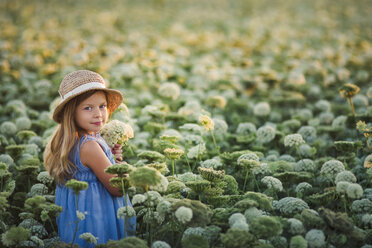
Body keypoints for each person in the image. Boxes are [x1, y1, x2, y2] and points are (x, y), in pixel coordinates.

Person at [44, 70, 136, 247]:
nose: (98, 114)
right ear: (72, 113)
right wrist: (123, 168)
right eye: (88, 108)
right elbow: (117, 188)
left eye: (102, 106)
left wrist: (113, 157)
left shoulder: (79, 141)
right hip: (97, 220)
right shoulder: (90, 146)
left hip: (78, 219)